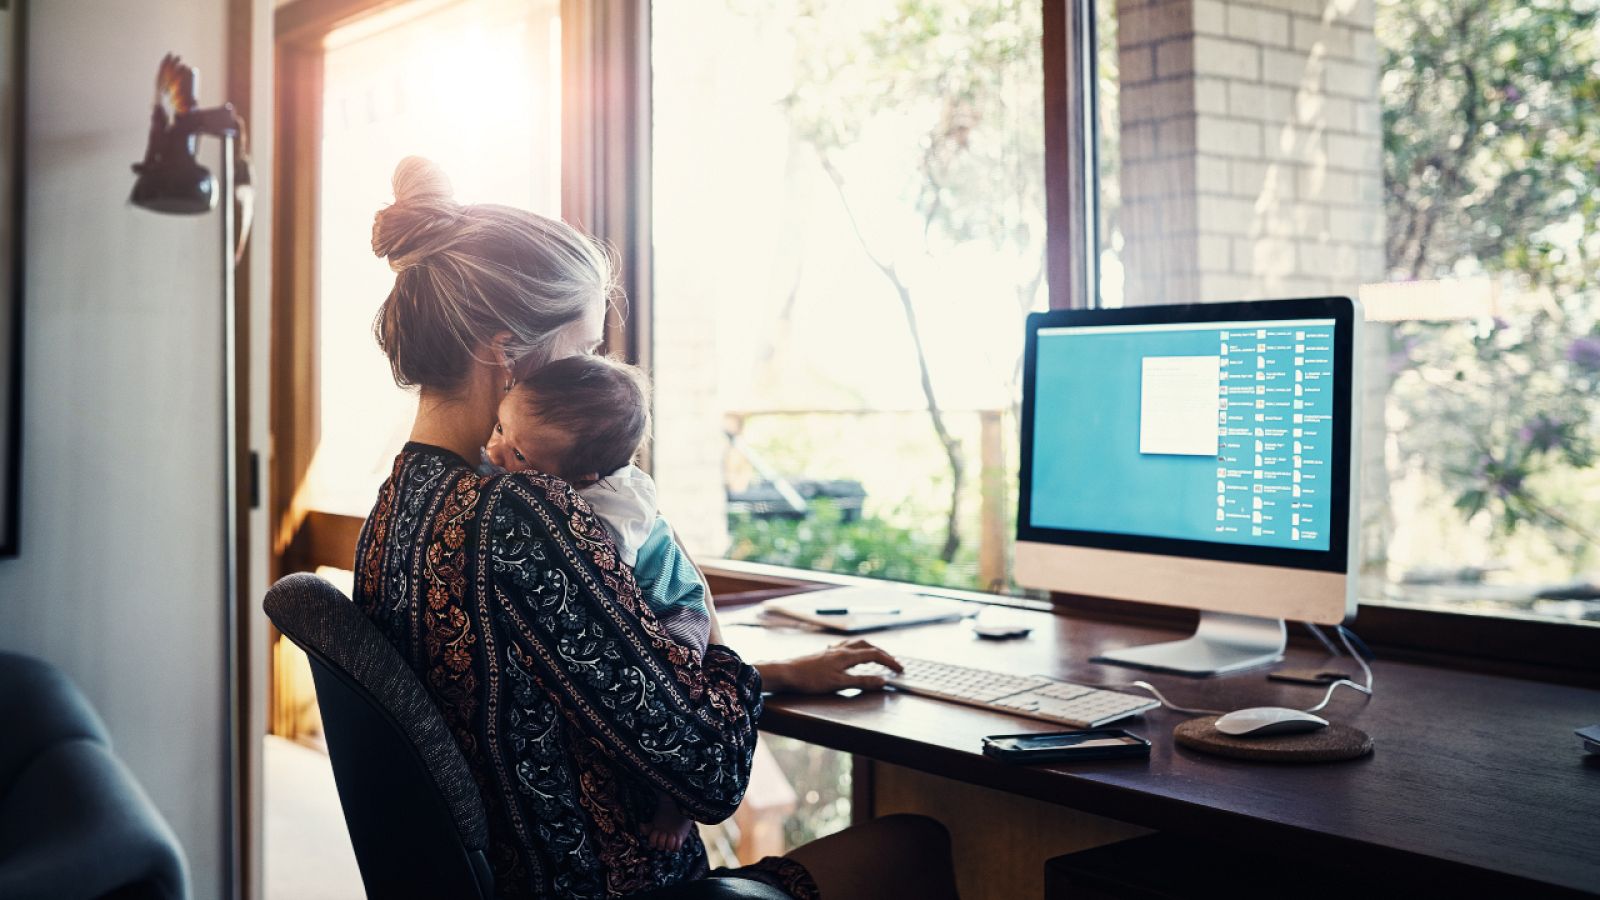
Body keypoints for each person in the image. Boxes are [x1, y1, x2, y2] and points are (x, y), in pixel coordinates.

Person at [352, 155, 961, 900]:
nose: (590, 377)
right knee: (914, 845)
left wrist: (776, 675)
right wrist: (722, 650)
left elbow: (555, 689)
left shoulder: (397, 506)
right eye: (580, 352)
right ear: (506, 355)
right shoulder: (524, 511)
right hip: (616, 889)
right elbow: (709, 773)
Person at [479, 353, 710, 853]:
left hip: (674, 603)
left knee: (680, 687)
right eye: (500, 427)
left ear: (582, 476)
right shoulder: (546, 464)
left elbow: (607, 579)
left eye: (518, 456)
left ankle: (678, 804)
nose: (496, 453)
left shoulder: (612, 510)